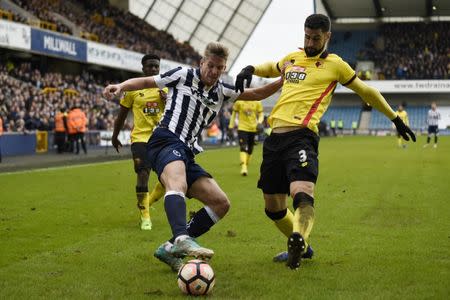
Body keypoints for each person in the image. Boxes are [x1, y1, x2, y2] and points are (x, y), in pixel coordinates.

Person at [234, 14, 416, 270]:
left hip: (302, 136)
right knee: (273, 207)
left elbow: (367, 91)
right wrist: (250, 68)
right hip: (274, 139)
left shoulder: (336, 65)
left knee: (302, 194)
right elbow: (272, 66)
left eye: (315, 38)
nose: (309, 42)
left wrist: (395, 118)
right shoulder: (293, 57)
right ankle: (303, 248)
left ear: (327, 37)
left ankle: (298, 238)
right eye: (307, 36)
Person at [103, 42, 283, 272]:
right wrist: (120, 86)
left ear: (224, 68)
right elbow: (147, 82)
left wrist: (282, 80)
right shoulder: (183, 75)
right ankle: (181, 238)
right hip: (165, 139)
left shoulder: (223, 91)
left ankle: (168, 249)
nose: (214, 71)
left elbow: (257, 93)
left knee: (220, 203)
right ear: (201, 63)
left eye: (219, 68)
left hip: (187, 151)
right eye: (210, 66)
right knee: (177, 183)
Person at [112, 54, 168, 231]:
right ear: (143, 68)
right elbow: (121, 115)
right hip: (140, 138)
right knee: (143, 173)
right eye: (150, 66)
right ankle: (145, 216)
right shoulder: (132, 89)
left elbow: (175, 113)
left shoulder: (166, 89)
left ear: (159, 68)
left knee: (170, 178)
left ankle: (147, 201)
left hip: (161, 138)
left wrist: (167, 102)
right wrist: (115, 136)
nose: (153, 69)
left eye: (156, 66)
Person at [228, 100, 264, 176]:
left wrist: (260, 122)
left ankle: (246, 162)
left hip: (253, 128)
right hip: (242, 128)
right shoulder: (239, 102)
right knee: (243, 147)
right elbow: (233, 114)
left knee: (250, 149)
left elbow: (261, 114)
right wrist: (231, 126)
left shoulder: (257, 102)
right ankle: (244, 168)